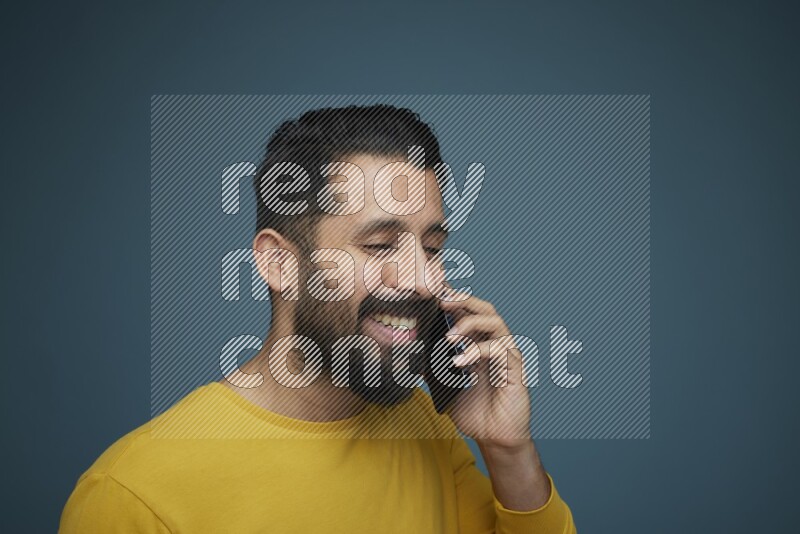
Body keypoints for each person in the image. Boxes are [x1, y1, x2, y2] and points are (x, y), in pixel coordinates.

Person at [60, 104, 577, 532]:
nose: (423, 280)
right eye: (379, 245)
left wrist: (508, 450)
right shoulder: (132, 496)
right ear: (280, 262)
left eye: (432, 246)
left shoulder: (425, 426)